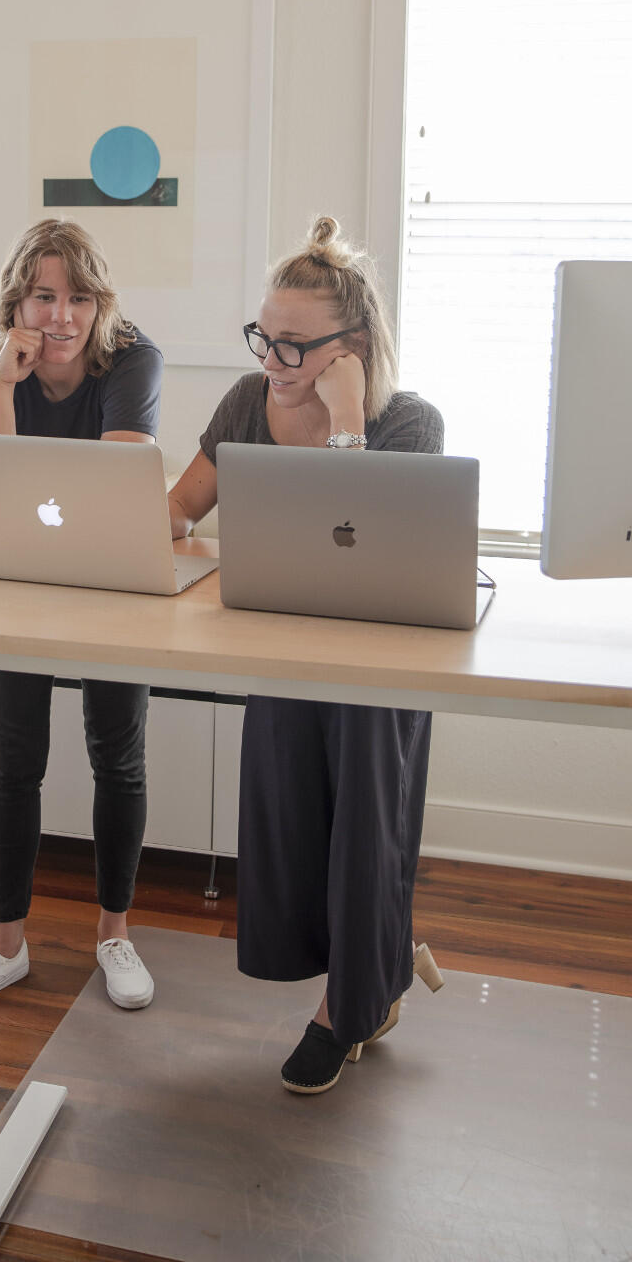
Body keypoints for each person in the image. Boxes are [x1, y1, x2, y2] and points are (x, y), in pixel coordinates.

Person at [167, 214, 446, 1093]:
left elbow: (363, 544)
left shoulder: (409, 424)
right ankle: (377, 963)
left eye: (295, 346)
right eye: (265, 338)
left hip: (377, 668)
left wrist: (347, 418)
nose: (272, 362)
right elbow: (180, 509)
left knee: (364, 828)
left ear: (352, 347)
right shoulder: (247, 407)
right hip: (281, 651)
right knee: (291, 823)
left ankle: (348, 1007)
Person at [0, 218, 163, 1009]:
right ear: (18, 303)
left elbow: (115, 489)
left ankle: (116, 934)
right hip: (19, 585)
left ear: (101, 304)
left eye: (78, 298)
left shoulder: (134, 358)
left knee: (118, 754)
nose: (61, 317)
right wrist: (6, 388)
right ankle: (7, 942)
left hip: (111, 583)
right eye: (44, 297)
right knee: (14, 763)